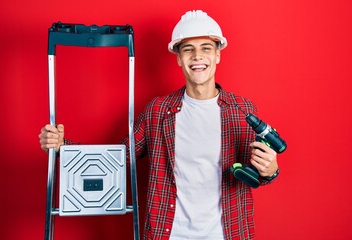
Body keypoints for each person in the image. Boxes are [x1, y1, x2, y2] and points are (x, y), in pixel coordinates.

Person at [39, 10, 279, 240]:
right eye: (188, 49)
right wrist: (63, 147)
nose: (197, 56)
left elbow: (256, 174)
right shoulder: (158, 111)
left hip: (228, 232)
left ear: (217, 55)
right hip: (169, 233)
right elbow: (121, 158)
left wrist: (270, 170)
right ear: (178, 58)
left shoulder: (243, 111)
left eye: (206, 48)